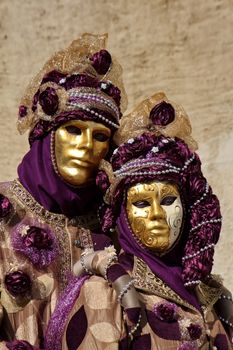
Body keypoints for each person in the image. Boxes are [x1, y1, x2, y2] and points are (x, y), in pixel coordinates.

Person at [45, 92, 233, 349]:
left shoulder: (209, 296)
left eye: (168, 201)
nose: (157, 214)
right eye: (142, 203)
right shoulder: (106, 294)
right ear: (123, 215)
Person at [0, 33, 127, 349]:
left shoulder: (113, 226)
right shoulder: (4, 212)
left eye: (100, 137)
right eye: (73, 130)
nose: (87, 146)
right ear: (46, 136)